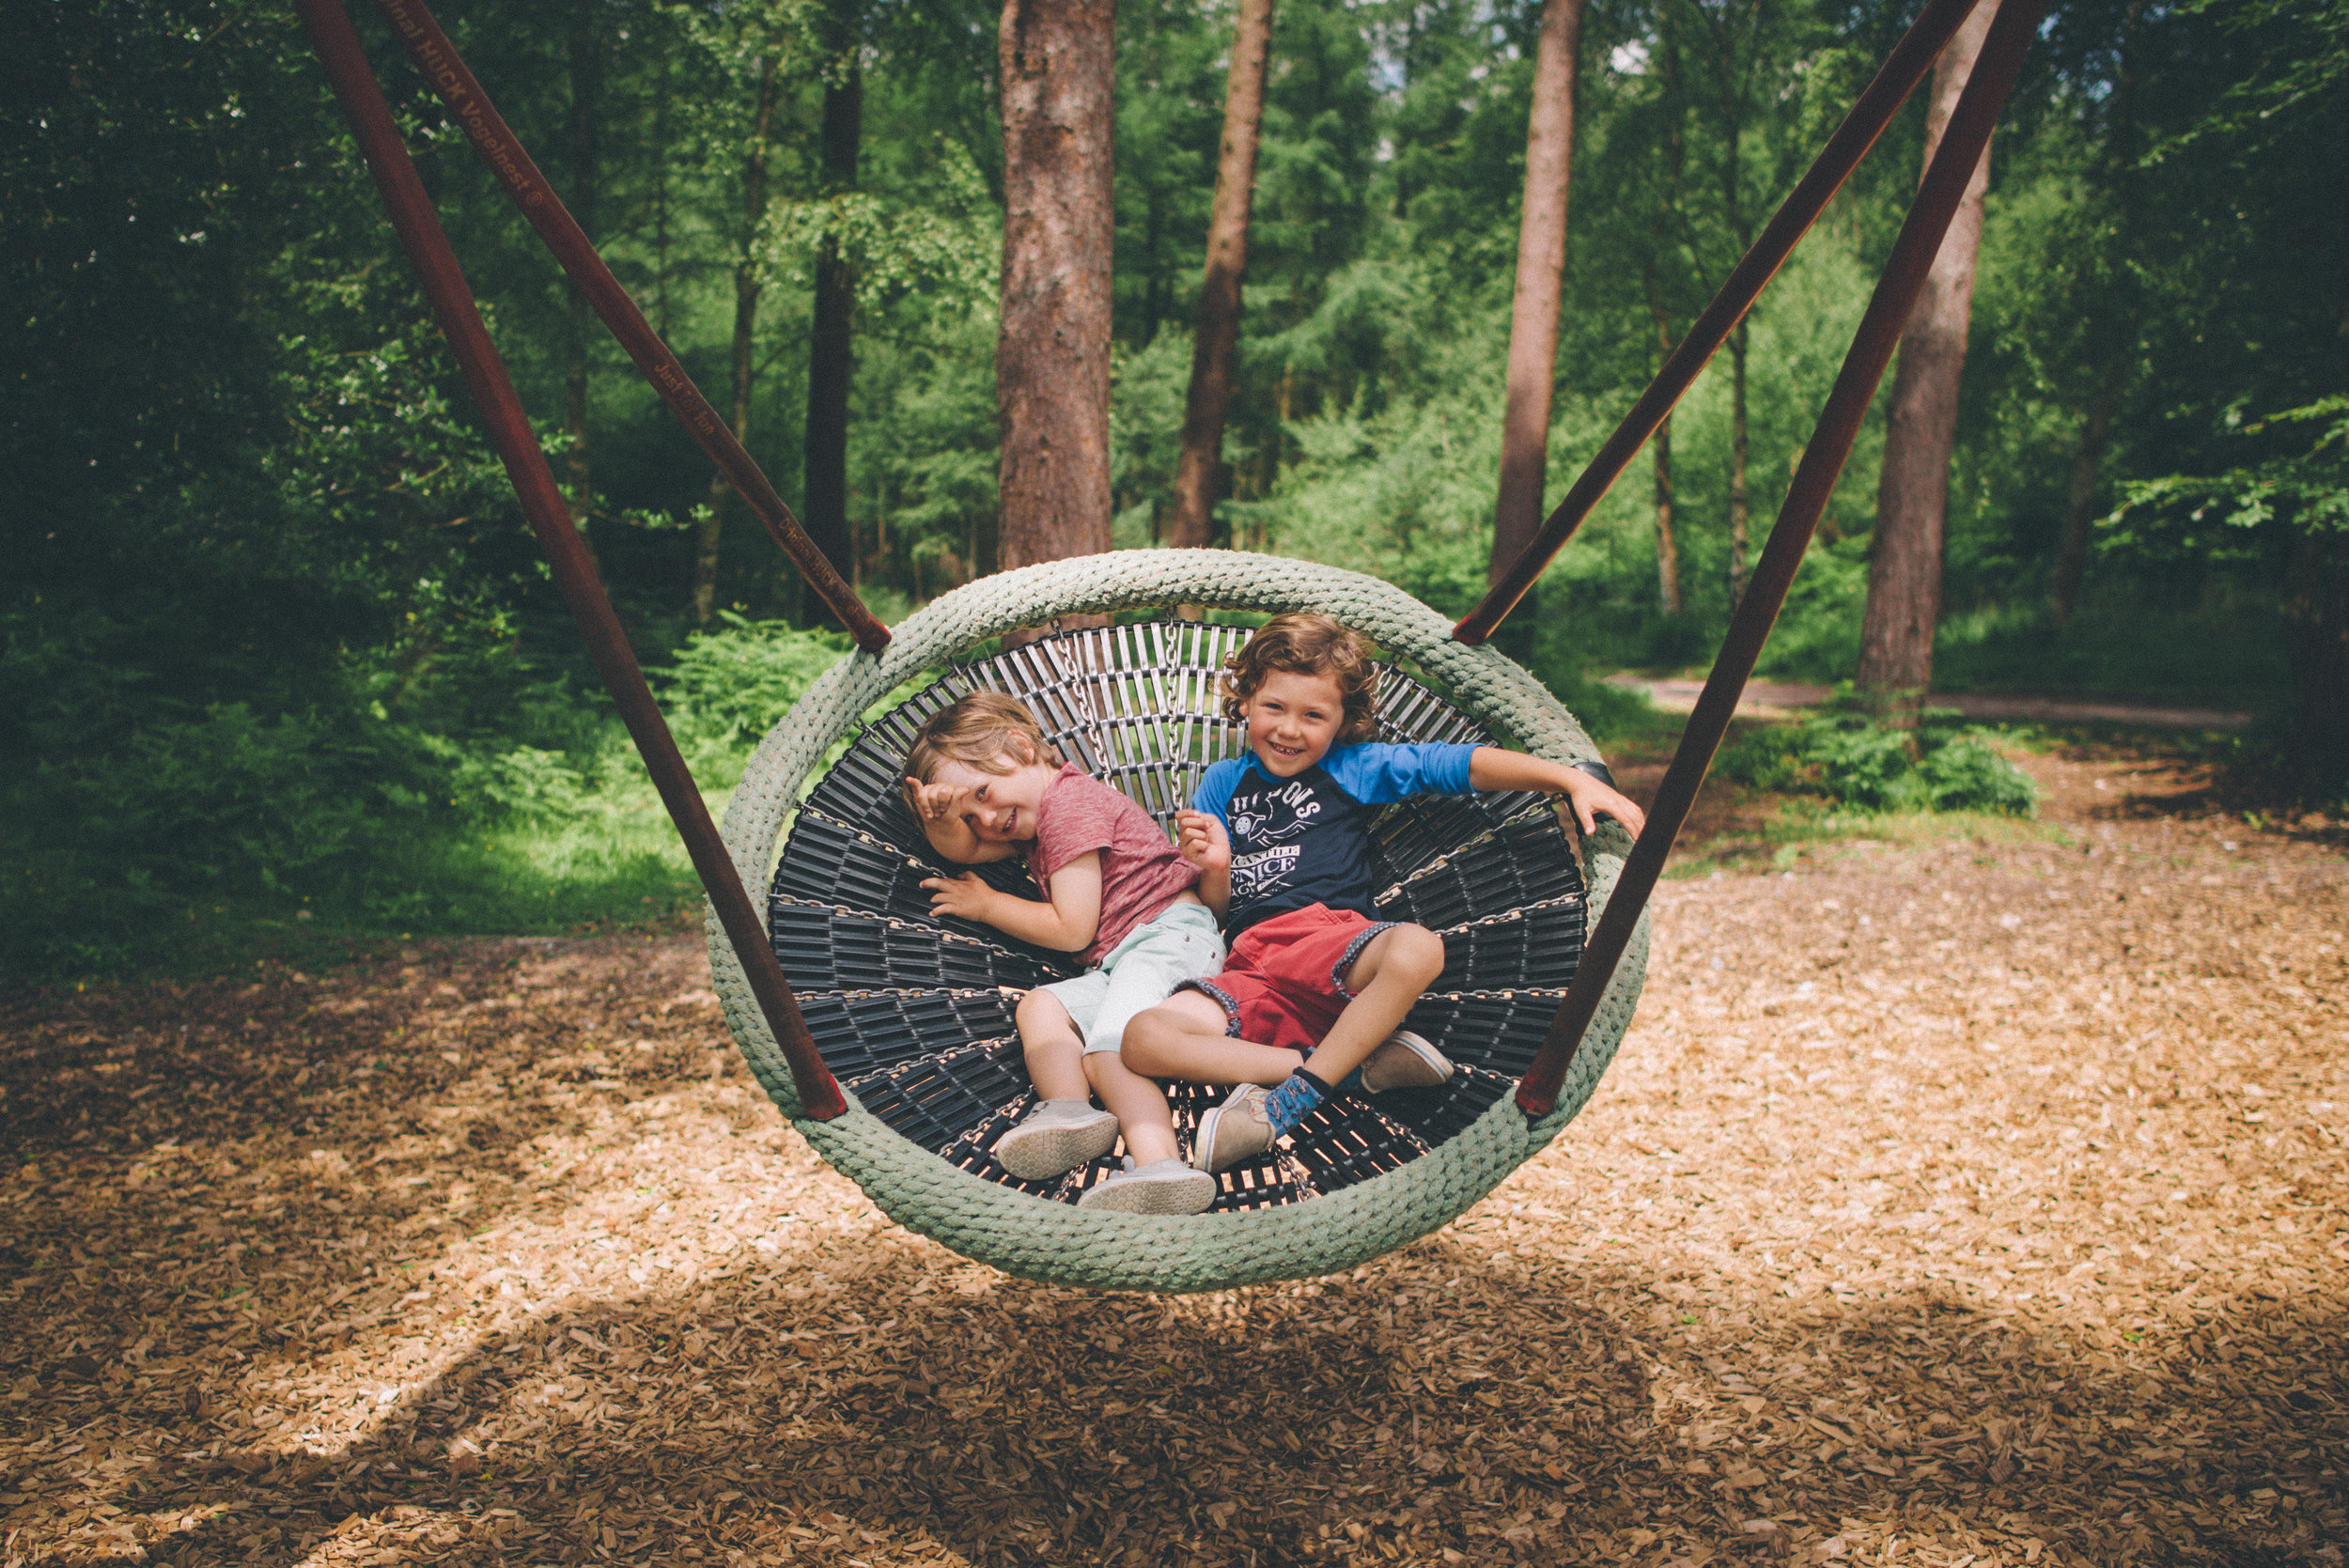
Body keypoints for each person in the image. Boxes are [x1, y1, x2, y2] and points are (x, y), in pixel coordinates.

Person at [1121, 613, 1647, 1177]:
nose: (1289, 730)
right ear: (1246, 699)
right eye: (1274, 707)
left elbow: (1452, 765)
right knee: (1143, 1037)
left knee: (1418, 948)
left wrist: (1567, 778)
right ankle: (1339, 1068)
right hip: (1250, 962)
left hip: (1329, 945)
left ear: (1343, 720)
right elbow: (1215, 911)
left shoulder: (1352, 768)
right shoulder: (1222, 782)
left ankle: (1290, 1101)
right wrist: (1216, 867)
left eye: (1314, 715)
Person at [901, 692, 1223, 1215]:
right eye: (971, 813)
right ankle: (1070, 1111)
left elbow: (1073, 930)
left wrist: (988, 906)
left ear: (1020, 747)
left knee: (1108, 1050)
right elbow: (964, 850)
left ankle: (1160, 1163)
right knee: (1040, 1007)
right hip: (1129, 955)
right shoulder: (1032, 819)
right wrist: (944, 822)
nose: (986, 818)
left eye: (983, 792)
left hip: (1170, 936)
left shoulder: (1067, 805)